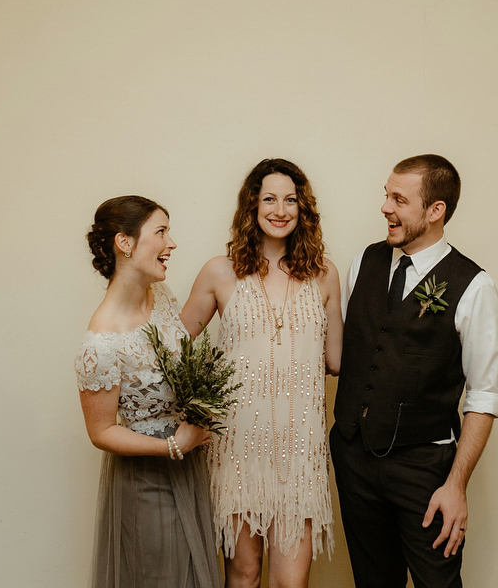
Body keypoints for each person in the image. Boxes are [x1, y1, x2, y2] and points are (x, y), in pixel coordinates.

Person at [331, 154, 498, 588]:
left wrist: (456, 485)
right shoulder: (363, 263)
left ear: (435, 211)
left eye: (398, 199)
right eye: (386, 196)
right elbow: (356, 352)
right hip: (354, 459)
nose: (385, 208)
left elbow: (484, 396)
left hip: (424, 470)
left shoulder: (474, 286)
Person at [181, 159, 342, 588]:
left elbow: (338, 361)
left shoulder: (325, 275)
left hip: (299, 452)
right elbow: (175, 352)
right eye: (269, 198)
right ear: (251, 206)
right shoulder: (220, 271)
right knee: (244, 576)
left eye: (291, 199)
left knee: (291, 583)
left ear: (302, 208)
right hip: (237, 451)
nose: (280, 209)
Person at [74, 195, 221, 588]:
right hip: (146, 482)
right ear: (125, 243)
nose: (171, 243)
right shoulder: (101, 343)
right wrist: (173, 446)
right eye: (161, 232)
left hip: (189, 470)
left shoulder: (164, 300)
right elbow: (100, 432)